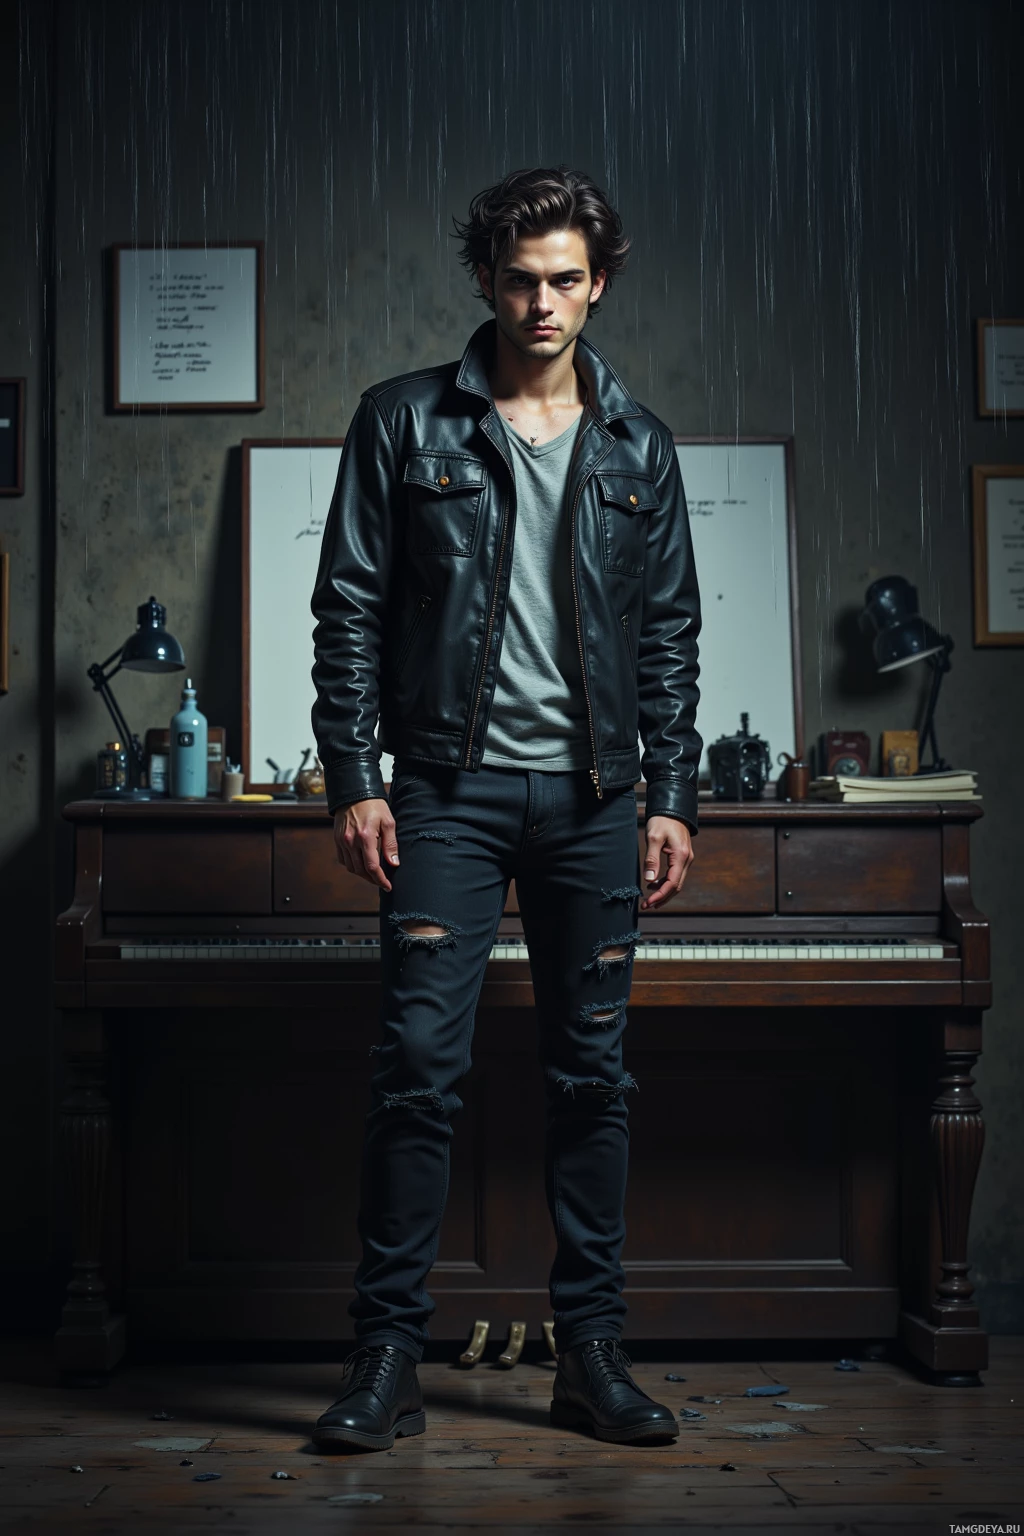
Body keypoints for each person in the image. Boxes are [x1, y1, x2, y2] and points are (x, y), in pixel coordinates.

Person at [309, 165, 702, 1452]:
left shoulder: (639, 444)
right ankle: (385, 1361)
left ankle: (590, 1355)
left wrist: (671, 799)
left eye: (567, 281)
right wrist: (357, 779)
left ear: (599, 284)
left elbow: (669, 640)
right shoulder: (402, 423)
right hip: (444, 796)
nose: (543, 303)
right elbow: (349, 612)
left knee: (591, 1079)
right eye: (521, 278)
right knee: (418, 1071)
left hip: (595, 802)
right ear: (485, 277)